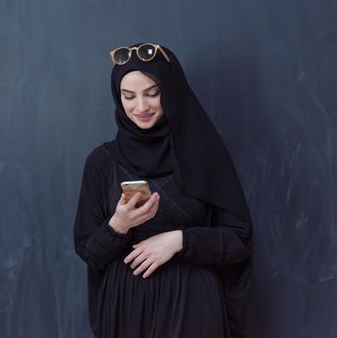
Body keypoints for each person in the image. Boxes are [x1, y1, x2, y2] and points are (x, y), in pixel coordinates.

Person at [74, 42, 253, 338]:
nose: (141, 107)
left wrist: (179, 240)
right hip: (126, 307)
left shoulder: (204, 154)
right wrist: (118, 226)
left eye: (152, 93)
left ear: (170, 90)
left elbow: (239, 238)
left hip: (193, 303)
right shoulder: (102, 162)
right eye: (128, 96)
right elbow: (89, 252)